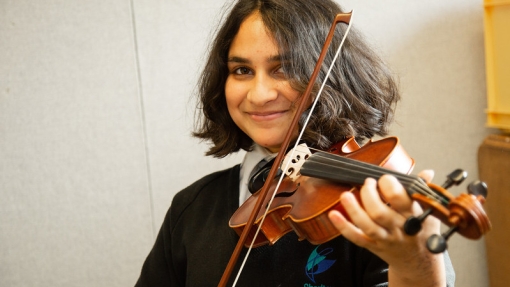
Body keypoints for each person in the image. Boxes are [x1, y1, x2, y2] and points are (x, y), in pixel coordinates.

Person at [136, 0, 455, 286]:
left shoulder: (378, 208)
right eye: (242, 70)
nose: (259, 95)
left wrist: (416, 266)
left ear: (332, 77)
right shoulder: (192, 208)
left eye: (284, 69)